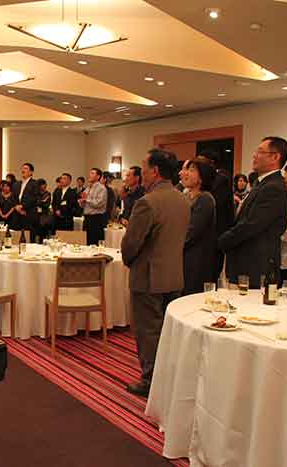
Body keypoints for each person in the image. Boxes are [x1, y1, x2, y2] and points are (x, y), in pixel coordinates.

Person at [121, 149, 189, 397]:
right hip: (173, 274)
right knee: (167, 332)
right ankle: (167, 377)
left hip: (148, 276)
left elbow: (131, 244)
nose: (143, 173)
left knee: (148, 331)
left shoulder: (147, 202)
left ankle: (151, 380)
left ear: (156, 171)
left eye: (144, 168)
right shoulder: (183, 199)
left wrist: (129, 261)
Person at [218, 137, 287, 289]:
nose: (254, 155)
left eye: (260, 151)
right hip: (247, 261)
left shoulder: (274, 187)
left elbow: (251, 224)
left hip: (256, 264)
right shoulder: (262, 183)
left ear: (275, 157)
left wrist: (222, 241)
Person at [180, 159, 217, 295]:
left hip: (196, 260)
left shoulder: (205, 199)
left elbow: (191, 233)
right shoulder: (186, 196)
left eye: (191, 170)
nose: (186, 173)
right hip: (184, 257)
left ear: (202, 177)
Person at [197, 150, 235, 280]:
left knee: (210, 273)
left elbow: (214, 204)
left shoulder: (220, 178)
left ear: (211, 163)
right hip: (209, 234)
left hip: (217, 232)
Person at [78, 168, 108, 245]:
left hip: (96, 219)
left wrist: (86, 200)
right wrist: (81, 202)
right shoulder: (88, 188)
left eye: (92, 173)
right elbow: (84, 204)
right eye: (90, 173)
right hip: (87, 218)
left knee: (94, 242)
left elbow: (99, 203)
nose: (90, 175)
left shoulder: (101, 188)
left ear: (98, 176)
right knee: (85, 241)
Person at [12, 163, 38, 233]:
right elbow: (13, 198)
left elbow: (34, 198)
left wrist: (22, 206)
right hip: (17, 214)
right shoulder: (16, 184)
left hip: (28, 213)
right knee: (17, 235)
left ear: (31, 172)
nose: (23, 170)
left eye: (26, 168)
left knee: (28, 235)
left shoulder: (35, 183)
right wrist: (16, 207)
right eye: (22, 168)